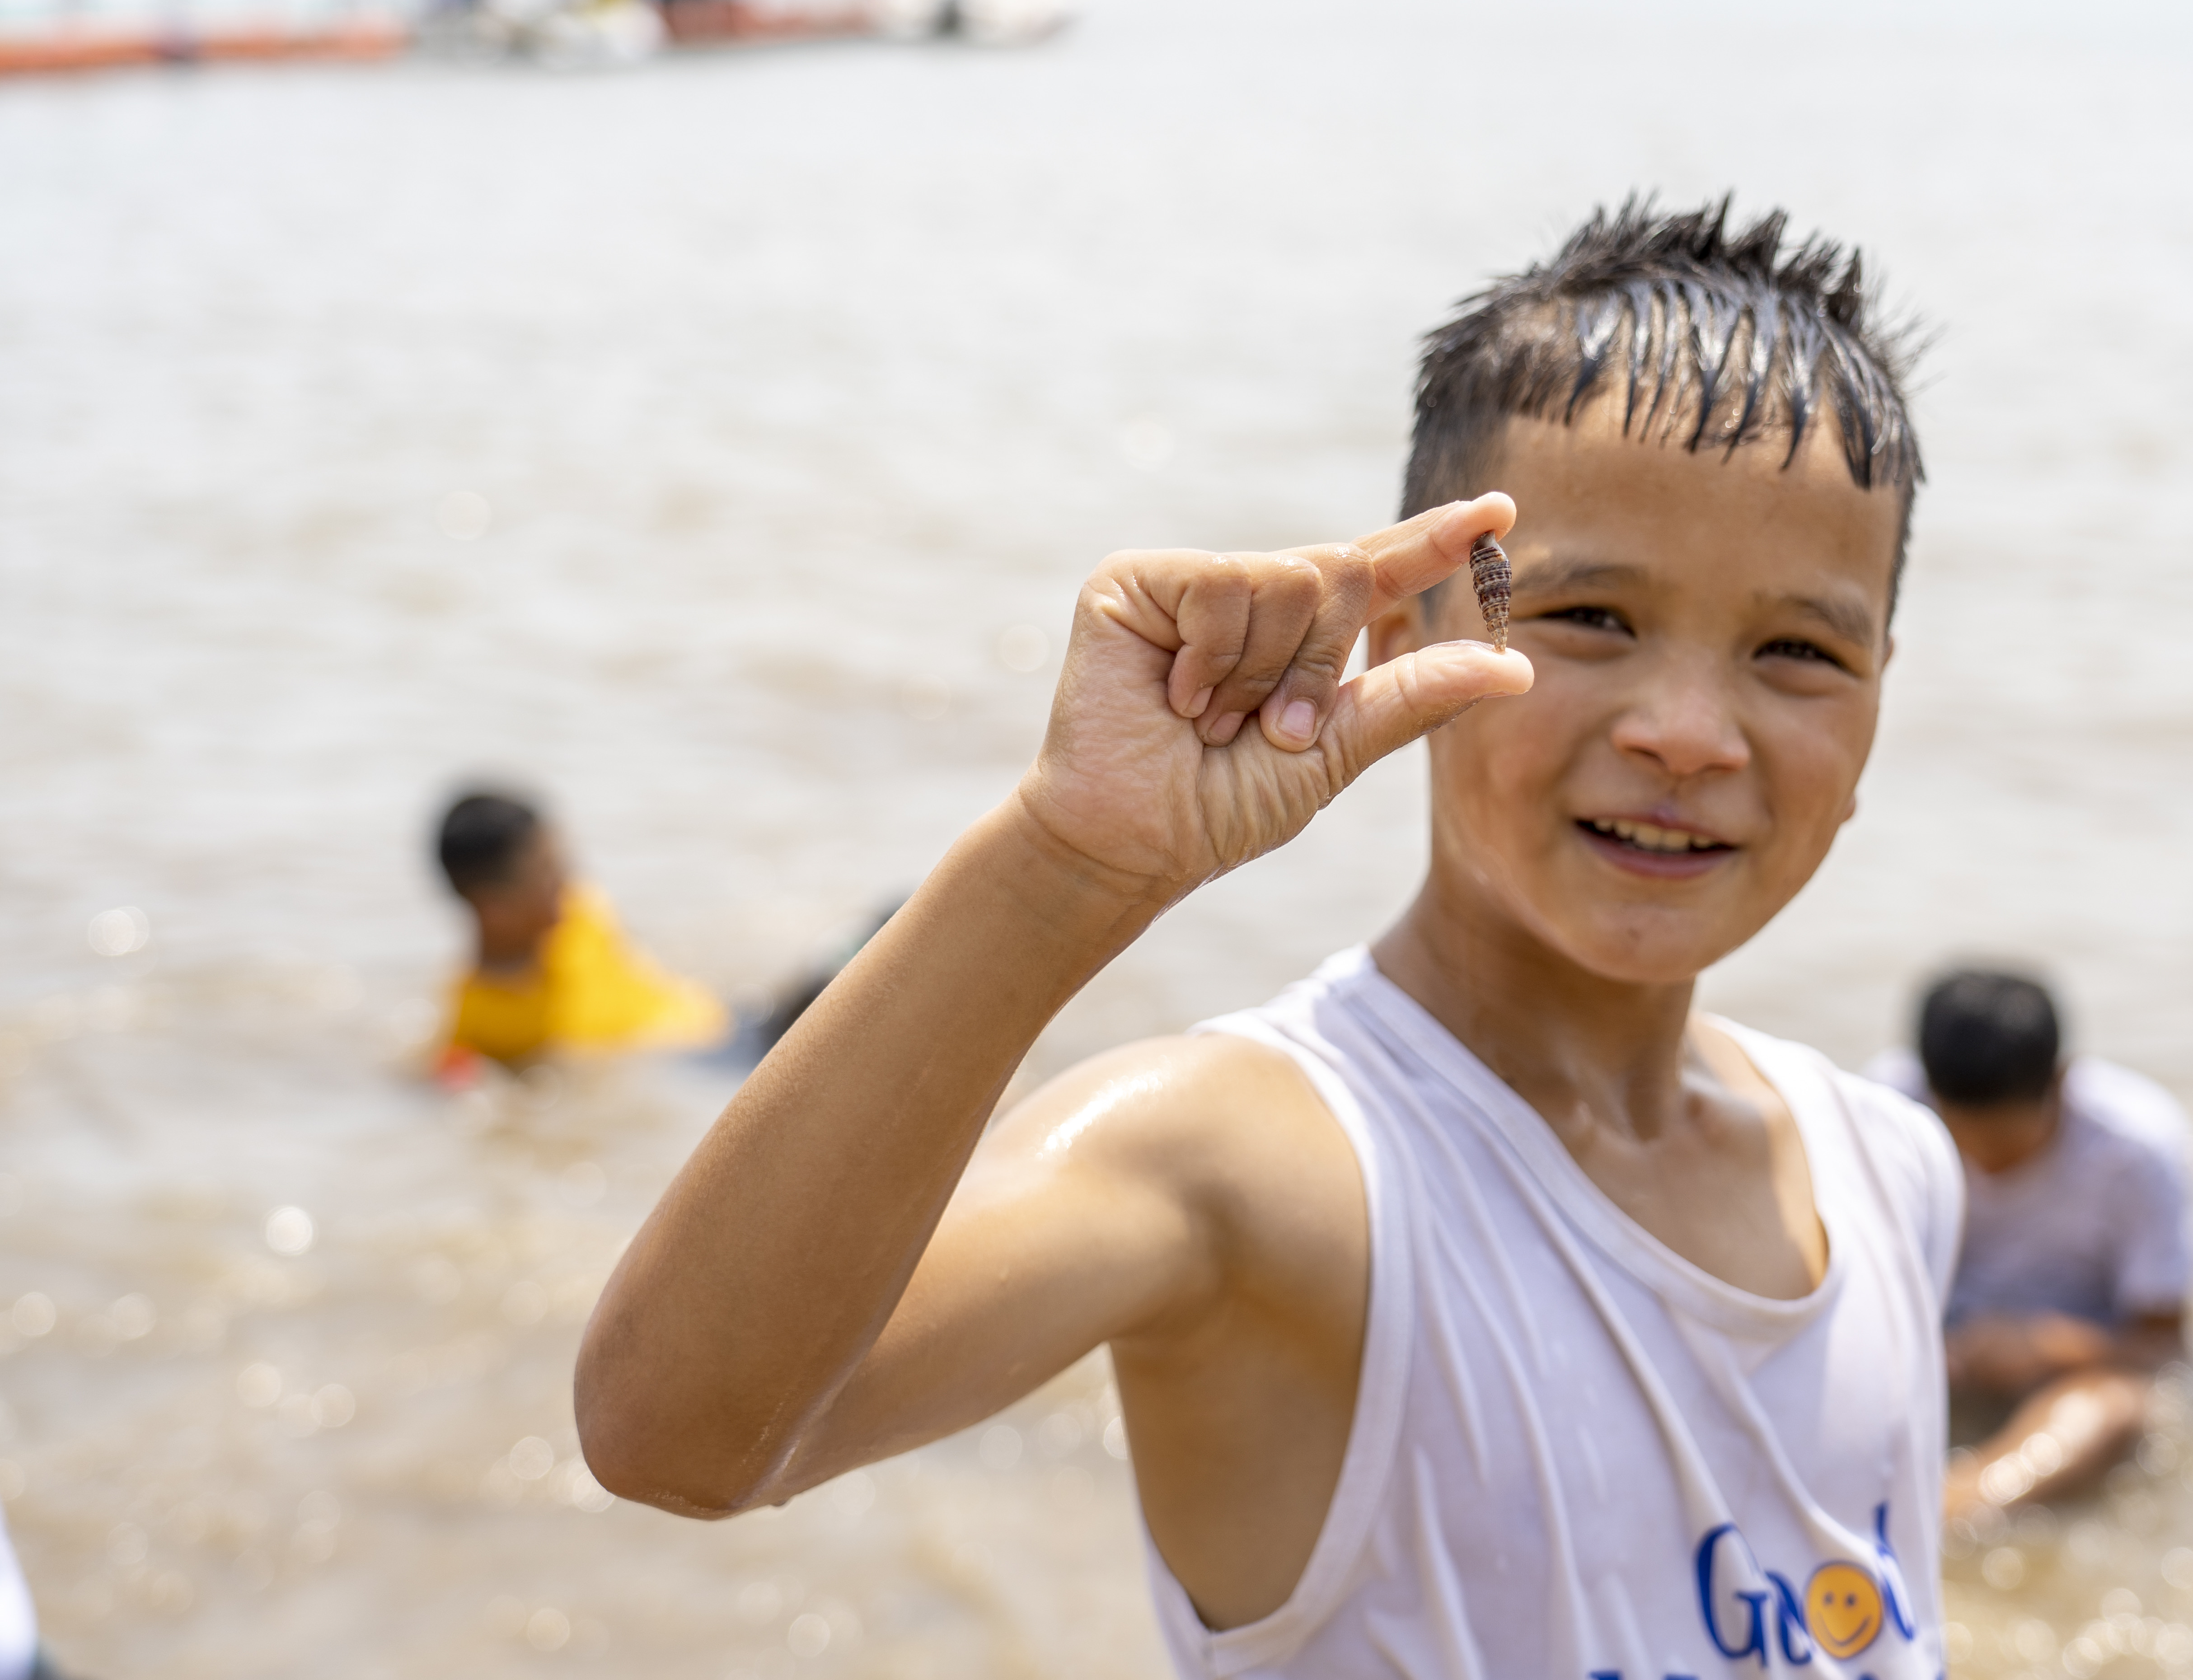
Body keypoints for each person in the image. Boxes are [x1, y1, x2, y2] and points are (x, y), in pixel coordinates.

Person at [577, 198, 1962, 1678]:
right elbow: (683, 1436)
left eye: (1799, 652)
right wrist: (1064, 864)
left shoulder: (1889, 1169)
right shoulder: (1260, 1168)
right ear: (1413, 629)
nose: (1687, 733)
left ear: (1881, 690)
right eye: (1590, 617)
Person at [1865, 970, 2193, 1524]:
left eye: (2003, 1143)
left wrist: (2045, 1347)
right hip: (1937, 1345)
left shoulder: (2140, 1146)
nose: (1982, 1161)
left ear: (2062, 1083)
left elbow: (2164, 1344)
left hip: (2073, 1364)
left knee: (2110, 1407)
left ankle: (1949, 1512)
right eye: (1959, 1140)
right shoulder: (1885, 1109)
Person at [431, 790, 727, 1081]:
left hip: (723, 1029)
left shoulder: (578, 911)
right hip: (694, 1072)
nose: (565, 880)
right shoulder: (478, 1021)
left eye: (559, 862)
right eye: (545, 872)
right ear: (494, 909)